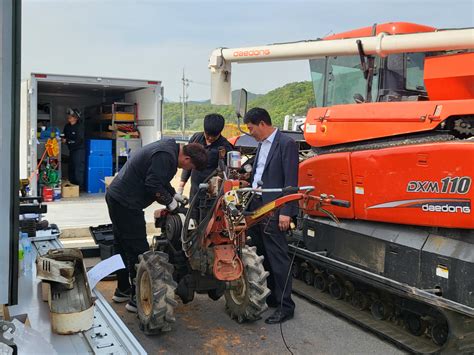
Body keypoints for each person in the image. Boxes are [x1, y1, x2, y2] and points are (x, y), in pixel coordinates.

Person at [105, 139, 207, 312]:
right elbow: (152, 184)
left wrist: (174, 195)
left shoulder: (169, 148)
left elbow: (159, 178)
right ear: (187, 159)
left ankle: (122, 289)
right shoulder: (166, 156)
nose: (188, 170)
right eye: (191, 168)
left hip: (117, 197)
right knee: (139, 251)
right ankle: (137, 298)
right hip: (126, 203)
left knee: (121, 245)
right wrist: (170, 203)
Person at [244, 107, 299, 324]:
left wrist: (286, 212)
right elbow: (259, 173)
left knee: (278, 258)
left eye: (251, 128)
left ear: (262, 124)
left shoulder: (286, 144)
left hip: (275, 208)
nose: (251, 133)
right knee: (262, 255)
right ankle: (273, 297)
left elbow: (291, 181)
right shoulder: (260, 145)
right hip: (257, 205)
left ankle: (286, 306)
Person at [177, 113, 233, 220]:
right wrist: (181, 186)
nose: (210, 138)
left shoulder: (225, 147)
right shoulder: (196, 138)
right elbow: (187, 162)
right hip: (195, 190)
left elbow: (230, 172)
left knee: (207, 222)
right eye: (208, 135)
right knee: (192, 219)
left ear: (220, 132)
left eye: (214, 135)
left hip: (212, 196)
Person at [62, 108, 85, 190]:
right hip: (71, 150)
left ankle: (79, 187)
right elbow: (64, 135)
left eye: (71, 116)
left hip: (79, 149)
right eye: (69, 116)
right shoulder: (67, 126)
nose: (69, 117)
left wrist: (67, 140)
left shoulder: (80, 127)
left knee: (78, 168)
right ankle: (72, 186)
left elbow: (79, 140)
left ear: (76, 118)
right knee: (71, 167)